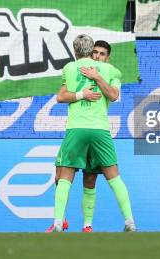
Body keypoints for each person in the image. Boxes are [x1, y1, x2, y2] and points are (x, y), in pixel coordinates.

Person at [48, 34, 135, 232]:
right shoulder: (111, 70)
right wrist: (82, 94)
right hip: (99, 130)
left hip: (77, 128)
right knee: (114, 177)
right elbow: (62, 97)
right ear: (90, 51)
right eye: (95, 51)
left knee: (66, 178)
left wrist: (96, 77)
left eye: (102, 53)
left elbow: (112, 95)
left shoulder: (70, 68)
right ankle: (129, 221)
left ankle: (59, 224)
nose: (98, 55)